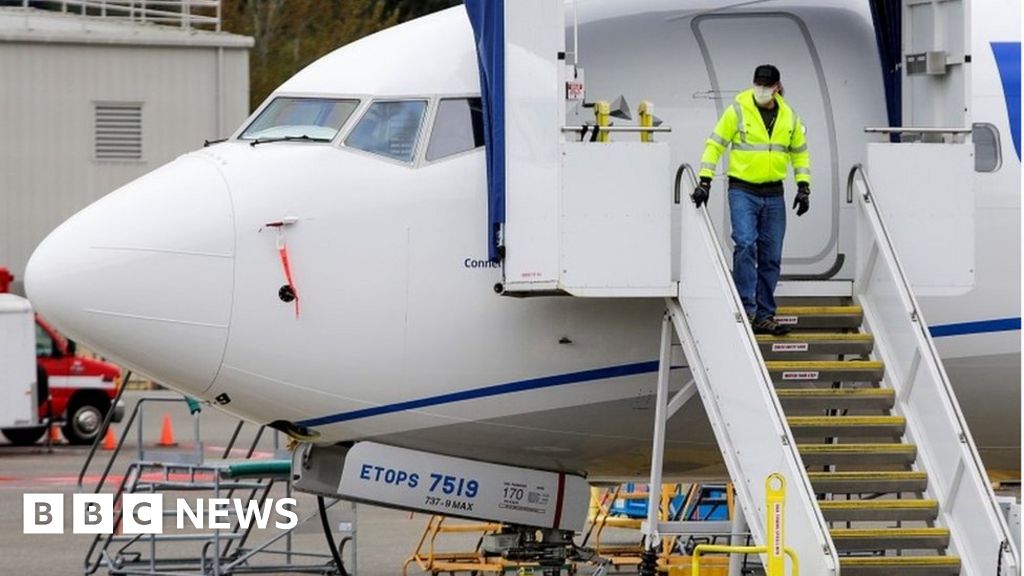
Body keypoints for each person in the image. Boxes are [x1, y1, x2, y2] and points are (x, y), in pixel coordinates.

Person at [692, 64, 811, 336]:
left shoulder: (789, 117)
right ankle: (746, 309)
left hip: (774, 194)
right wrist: (705, 179)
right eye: (758, 84)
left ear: (777, 87)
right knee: (745, 244)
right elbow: (715, 144)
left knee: (771, 257)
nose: (761, 90)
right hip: (742, 190)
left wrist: (804, 186)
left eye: (766, 86)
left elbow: (800, 153)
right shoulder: (737, 110)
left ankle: (765, 315)